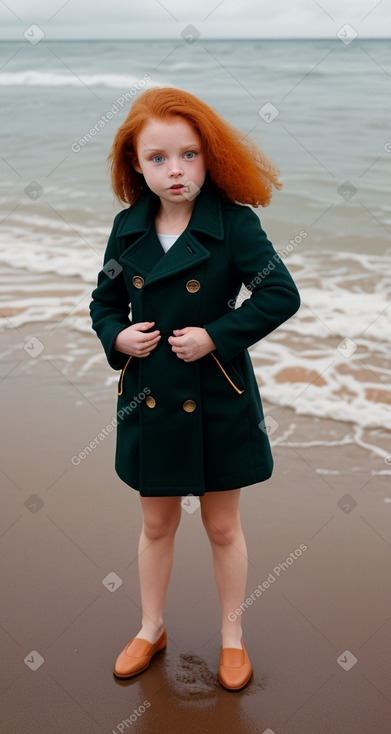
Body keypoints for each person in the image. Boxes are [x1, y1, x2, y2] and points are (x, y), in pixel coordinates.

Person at [89, 86, 300, 691]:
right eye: (157, 158)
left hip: (217, 394)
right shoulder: (126, 228)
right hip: (148, 394)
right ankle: (151, 626)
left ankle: (232, 638)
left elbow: (280, 295)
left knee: (223, 527)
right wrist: (117, 337)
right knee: (155, 525)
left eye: (187, 154)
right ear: (135, 163)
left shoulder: (234, 225)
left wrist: (216, 336)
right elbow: (104, 301)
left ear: (209, 157)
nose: (174, 170)